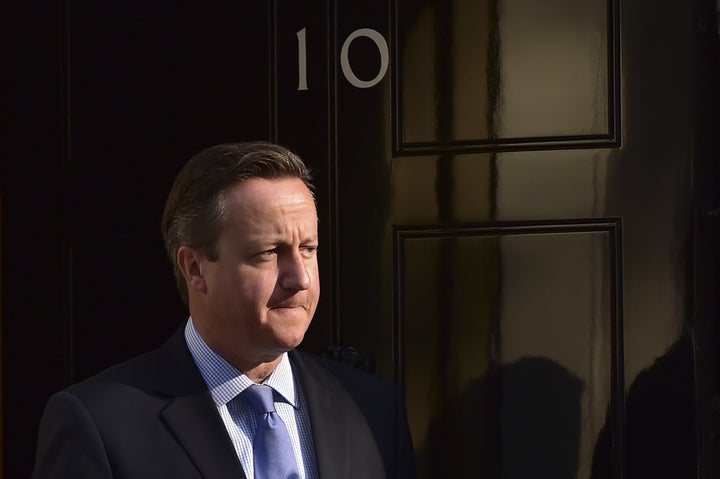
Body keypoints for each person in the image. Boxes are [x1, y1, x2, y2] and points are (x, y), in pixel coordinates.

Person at [33, 141, 416, 478]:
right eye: (269, 253)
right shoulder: (99, 424)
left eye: (308, 249)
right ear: (195, 269)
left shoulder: (373, 408)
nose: (300, 278)